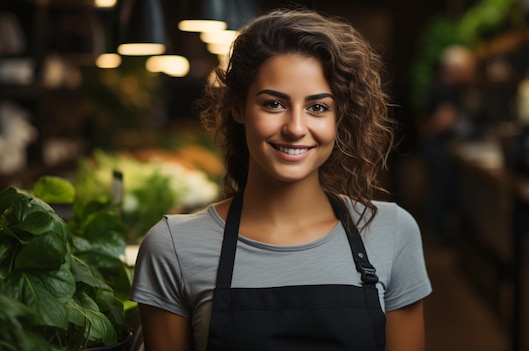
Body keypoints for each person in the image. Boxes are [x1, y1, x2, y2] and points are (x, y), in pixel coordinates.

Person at [130, 8, 431, 351]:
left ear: (339, 118)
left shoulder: (392, 232)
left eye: (317, 107)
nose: (295, 128)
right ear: (237, 108)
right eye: (274, 104)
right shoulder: (173, 247)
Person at [418, 45, 475, 245]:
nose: (470, 73)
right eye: (468, 68)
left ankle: (437, 234)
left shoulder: (441, 85)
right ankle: (438, 237)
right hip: (438, 148)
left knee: (439, 190)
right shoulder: (446, 89)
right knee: (441, 191)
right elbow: (442, 119)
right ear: (456, 69)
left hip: (436, 146)